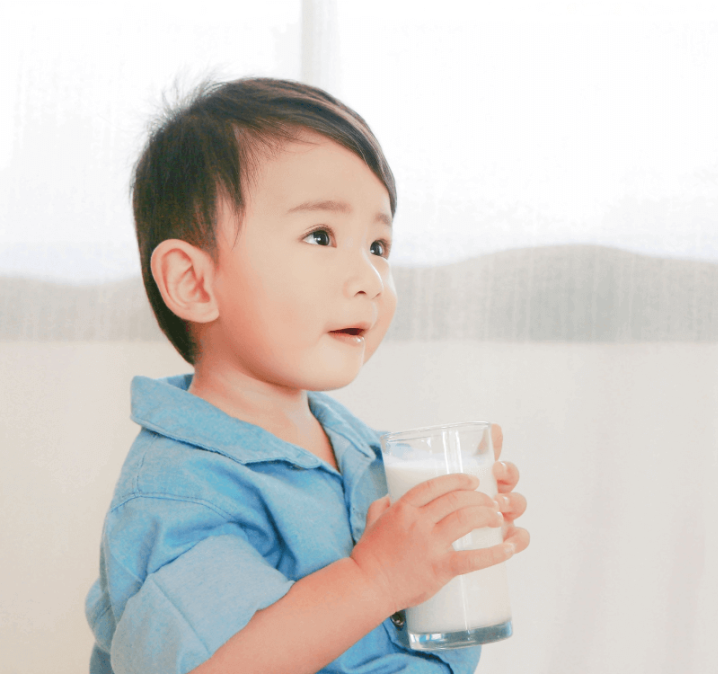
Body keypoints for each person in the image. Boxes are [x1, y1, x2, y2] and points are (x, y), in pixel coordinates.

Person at [84, 77, 529, 674]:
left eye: (378, 244)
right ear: (194, 282)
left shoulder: (356, 448)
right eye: (321, 235)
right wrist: (377, 577)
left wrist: (438, 538)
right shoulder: (179, 490)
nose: (370, 277)